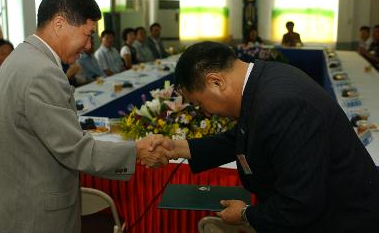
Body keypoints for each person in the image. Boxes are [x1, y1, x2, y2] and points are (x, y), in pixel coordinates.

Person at [0, 0, 169, 233]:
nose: (89, 45)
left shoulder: (20, 58)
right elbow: (76, 151)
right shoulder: (43, 72)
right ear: (59, 24)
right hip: (35, 218)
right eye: (87, 34)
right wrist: (136, 151)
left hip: (16, 206)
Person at [149, 41, 379, 232]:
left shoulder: (282, 104)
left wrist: (245, 214)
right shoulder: (265, 78)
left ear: (216, 82)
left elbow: (299, 204)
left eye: (200, 103)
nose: (206, 112)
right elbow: (243, 137)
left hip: (343, 220)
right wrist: (177, 148)